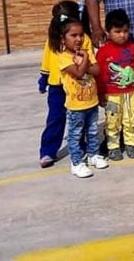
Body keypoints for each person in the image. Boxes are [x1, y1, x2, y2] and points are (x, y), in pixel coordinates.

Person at [37, 0, 94, 168]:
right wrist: (43, 78)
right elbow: (47, 60)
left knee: (80, 119)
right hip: (57, 86)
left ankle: (81, 147)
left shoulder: (83, 40)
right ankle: (48, 150)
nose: (76, 37)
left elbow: (90, 60)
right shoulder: (52, 40)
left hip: (78, 85)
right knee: (55, 118)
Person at [49, 14, 106, 178]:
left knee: (93, 131)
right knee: (75, 135)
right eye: (73, 35)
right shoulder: (63, 57)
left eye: (81, 35)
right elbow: (79, 74)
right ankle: (76, 162)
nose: (79, 39)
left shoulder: (86, 52)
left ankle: (94, 155)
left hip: (91, 101)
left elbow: (97, 71)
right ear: (63, 38)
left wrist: (85, 60)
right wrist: (86, 60)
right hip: (76, 106)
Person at [95, 9, 134, 161]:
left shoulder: (133, 48)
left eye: (125, 31)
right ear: (108, 32)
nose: (122, 35)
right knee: (112, 121)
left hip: (131, 93)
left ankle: (131, 144)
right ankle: (113, 146)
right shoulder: (103, 52)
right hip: (111, 95)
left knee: (131, 119)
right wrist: (101, 94)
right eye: (117, 31)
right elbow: (99, 76)